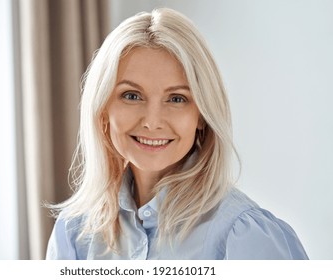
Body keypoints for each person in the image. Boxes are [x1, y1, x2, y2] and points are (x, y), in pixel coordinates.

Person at [46, 8, 308, 260]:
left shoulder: (245, 237)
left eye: (177, 98)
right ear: (103, 110)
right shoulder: (73, 233)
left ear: (202, 116)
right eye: (132, 95)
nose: (152, 122)